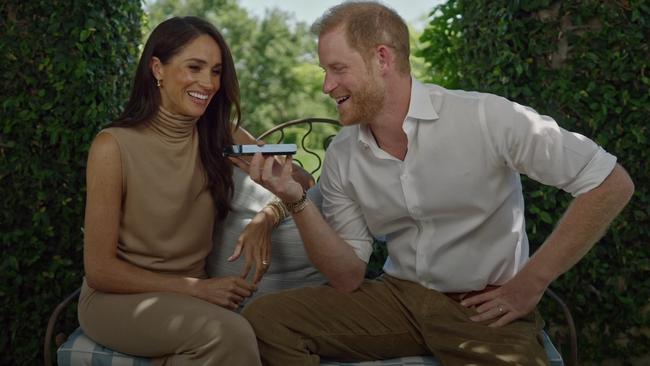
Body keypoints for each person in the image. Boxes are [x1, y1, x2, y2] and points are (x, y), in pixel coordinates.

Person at [235, 2, 635, 365]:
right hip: (397, 299)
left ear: (382, 58)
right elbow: (347, 277)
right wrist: (296, 199)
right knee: (266, 320)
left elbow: (609, 182)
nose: (326, 86)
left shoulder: (485, 117)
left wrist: (531, 282)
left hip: (480, 310)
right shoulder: (343, 154)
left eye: (338, 69)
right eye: (325, 71)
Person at [78, 16, 278, 365]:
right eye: (195, 67)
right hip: (116, 300)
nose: (209, 82)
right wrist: (197, 289)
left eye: (216, 71)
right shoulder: (112, 146)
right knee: (230, 333)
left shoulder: (220, 135)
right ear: (157, 68)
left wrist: (267, 216)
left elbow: (302, 183)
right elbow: (99, 269)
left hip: (189, 299)